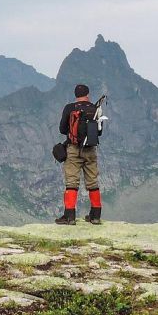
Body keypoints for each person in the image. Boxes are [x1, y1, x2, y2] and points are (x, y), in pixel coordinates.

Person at [56, 83, 102, 225]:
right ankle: (95, 215)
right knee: (92, 181)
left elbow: (62, 129)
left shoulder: (70, 108)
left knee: (72, 182)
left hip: (73, 148)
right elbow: (99, 131)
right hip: (90, 149)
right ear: (87, 94)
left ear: (76, 95)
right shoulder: (95, 109)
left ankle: (69, 217)